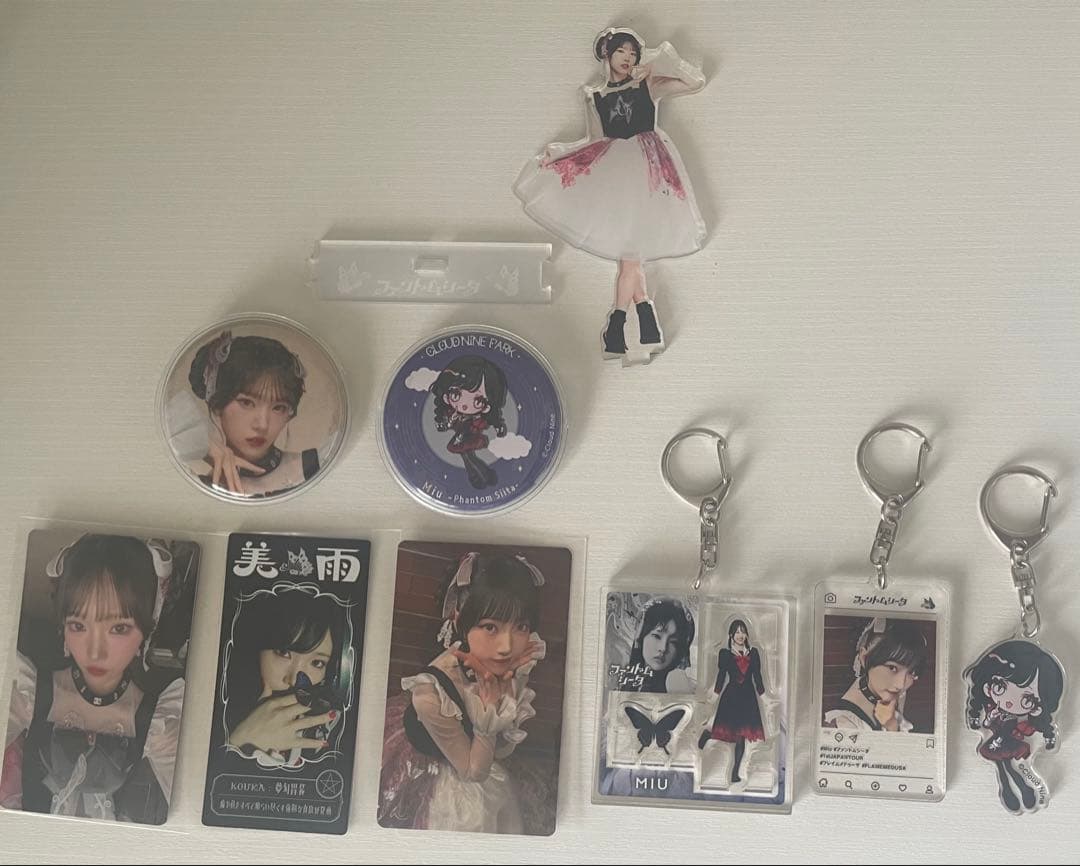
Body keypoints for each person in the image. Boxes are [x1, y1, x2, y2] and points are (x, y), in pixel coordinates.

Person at [514, 27, 706, 359]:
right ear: (608, 54)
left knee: (630, 258)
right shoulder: (595, 95)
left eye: (633, 53)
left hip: (648, 173)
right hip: (615, 174)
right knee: (632, 257)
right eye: (621, 51)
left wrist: (668, 59)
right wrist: (558, 153)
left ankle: (621, 328)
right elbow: (593, 139)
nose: (628, 58)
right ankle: (642, 325)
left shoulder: (647, 84)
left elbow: (695, 83)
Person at [0, 534, 185, 824]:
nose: (95, 651)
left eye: (119, 629)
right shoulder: (28, 694)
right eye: (78, 626)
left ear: (146, 631)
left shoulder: (159, 722)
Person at [378, 553, 546, 833]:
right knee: (470, 820)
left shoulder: (510, 664)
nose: (506, 646)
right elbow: (472, 773)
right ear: (459, 619)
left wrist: (506, 691)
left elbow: (503, 749)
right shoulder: (431, 695)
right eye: (490, 627)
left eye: (521, 627)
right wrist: (488, 717)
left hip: (480, 757)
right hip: (447, 772)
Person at [184, 330, 319, 497]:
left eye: (278, 407)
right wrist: (205, 445)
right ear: (217, 404)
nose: (262, 425)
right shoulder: (200, 486)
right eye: (247, 403)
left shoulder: (312, 466)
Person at [222, 588, 346, 768]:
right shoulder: (211, 710)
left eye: (317, 663)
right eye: (283, 652)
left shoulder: (333, 728)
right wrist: (239, 742)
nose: (294, 680)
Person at [966, 640, 1065, 813]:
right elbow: (986, 724)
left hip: (1008, 743)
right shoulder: (993, 709)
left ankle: (1023, 789)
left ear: (1038, 707)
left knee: (1007, 766)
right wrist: (990, 717)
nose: (1010, 702)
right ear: (988, 687)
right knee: (1002, 766)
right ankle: (1012, 791)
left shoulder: (1019, 721)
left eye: (1027, 699)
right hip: (997, 742)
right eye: (1000, 686)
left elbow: (1007, 729)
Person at [824, 617, 928, 733]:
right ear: (864, 658)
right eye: (892, 668)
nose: (900, 684)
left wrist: (892, 726)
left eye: (911, 672)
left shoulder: (890, 701)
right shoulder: (843, 724)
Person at [698, 620, 766, 785]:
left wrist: (764, 697)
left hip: (748, 698)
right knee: (725, 731)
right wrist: (715, 695)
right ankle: (708, 735)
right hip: (731, 697)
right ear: (731, 635)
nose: (740, 635)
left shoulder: (753, 653)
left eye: (743, 632)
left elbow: (757, 677)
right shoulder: (725, 654)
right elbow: (721, 676)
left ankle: (735, 773)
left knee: (741, 737)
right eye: (737, 632)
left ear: (747, 634)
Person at [430, 356, 509, 490]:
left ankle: (478, 476)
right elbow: (448, 423)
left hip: (470, 435)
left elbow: (473, 425)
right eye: (456, 394)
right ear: (446, 395)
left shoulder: (475, 419)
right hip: (462, 436)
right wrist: (444, 423)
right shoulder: (454, 414)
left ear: (488, 405)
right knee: (466, 455)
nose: (465, 405)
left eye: (478, 400)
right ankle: (481, 475)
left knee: (466, 454)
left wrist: (497, 426)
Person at [622, 598, 695, 693]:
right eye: (657, 636)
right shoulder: (631, 678)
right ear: (641, 636)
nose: (663, 648)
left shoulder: (676, 684)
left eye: (673, 642)